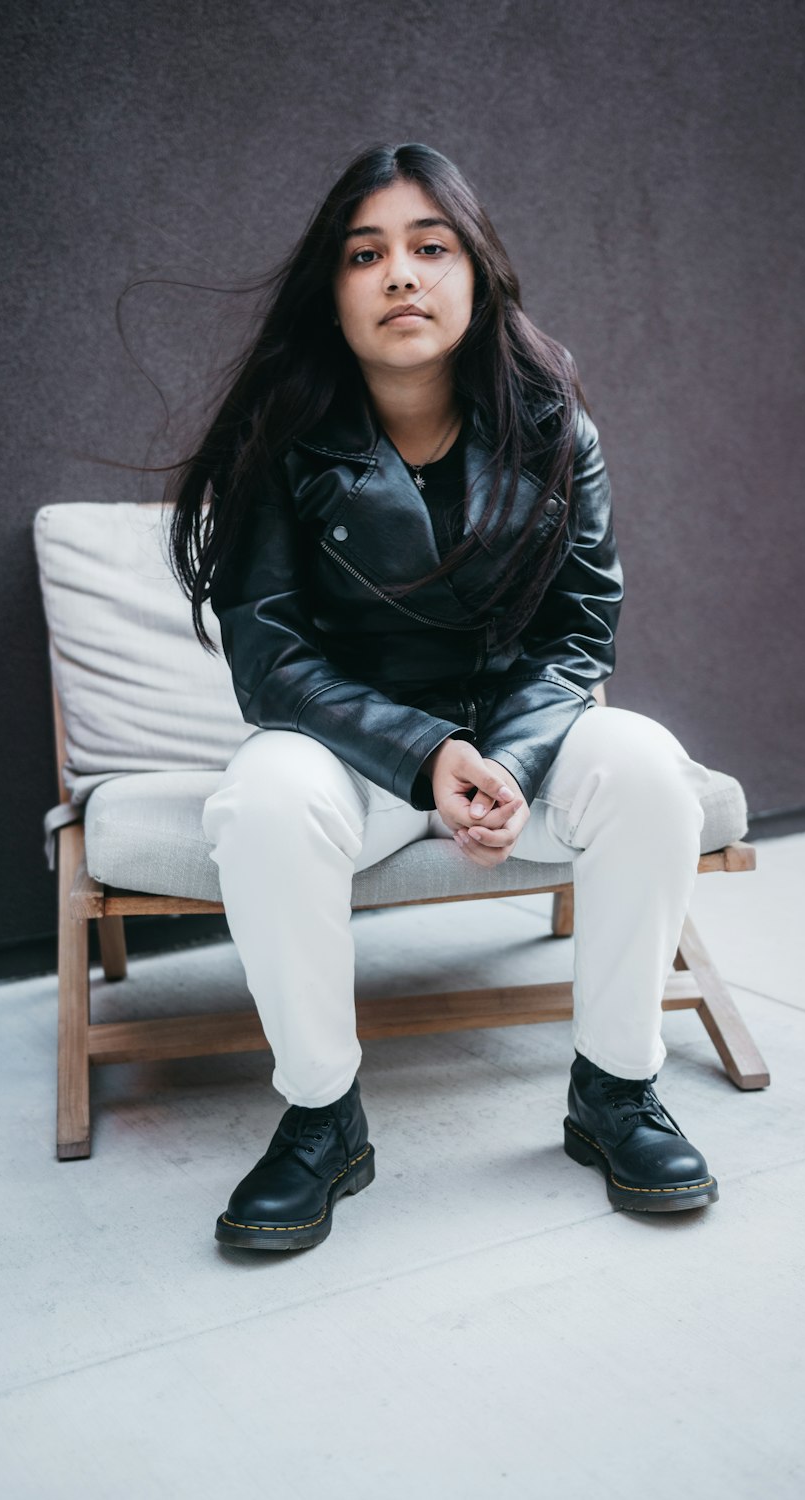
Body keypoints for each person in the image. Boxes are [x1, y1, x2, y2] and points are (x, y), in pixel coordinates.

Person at [166, 142, 718, 1252]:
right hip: (353, 757)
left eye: (431, 246)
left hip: (520, 744)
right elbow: (268, 658)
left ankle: (614, 1091)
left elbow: (576, 636)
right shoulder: (280, 444)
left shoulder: (558, 430)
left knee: (651, 763)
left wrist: (509, 762)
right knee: (261, 796)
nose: (402, 275)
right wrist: (424, 756)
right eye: (366, 254)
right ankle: (322, 1118)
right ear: (332, 292)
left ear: (478, 274)